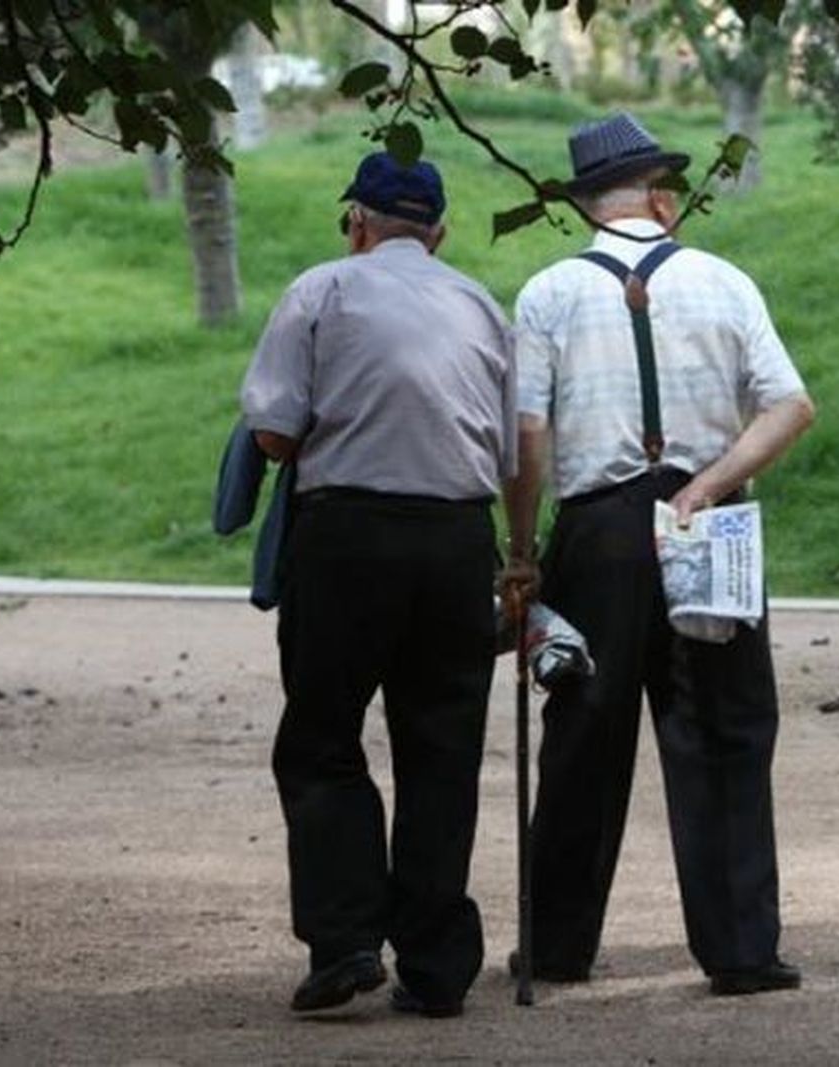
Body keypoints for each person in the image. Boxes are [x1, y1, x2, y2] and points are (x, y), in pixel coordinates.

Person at [502, 112, 816, 996]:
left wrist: (523, 550)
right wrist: (709, 484)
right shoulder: (724, 282)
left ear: (585, 205)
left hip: (597, 529)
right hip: (707, 518)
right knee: (725, 731)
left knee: (582, 736)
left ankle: (558, 945)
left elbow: (528, 439)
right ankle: (742, 948)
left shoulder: (547, 292)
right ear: (662, 199)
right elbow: (791, 407)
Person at [240, 152, 516, 1019]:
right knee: (442, 749)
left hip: (348, 537)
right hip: (457, 539)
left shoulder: (321, 290)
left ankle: (346, 940)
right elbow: (512, 453)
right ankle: (436, 965)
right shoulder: (480, 303)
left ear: (355, 221)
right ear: (437, 232)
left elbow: (277, 434)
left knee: (321, 736)